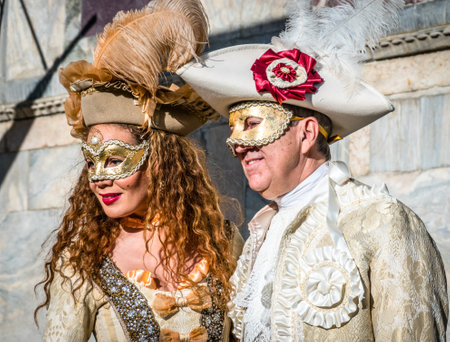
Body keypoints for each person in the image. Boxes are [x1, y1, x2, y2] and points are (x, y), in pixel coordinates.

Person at [177, 0, 448, 340]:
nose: (236, 144)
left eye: (253, 125)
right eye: (233, 129)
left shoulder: (381, 222)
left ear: (306, 134)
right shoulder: (258, 235)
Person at [36, 0, 243, 340]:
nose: (99, 178)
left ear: (159, 160)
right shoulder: (82, 261)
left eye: (115, 159)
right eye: (91, 162)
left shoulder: (220, 240)